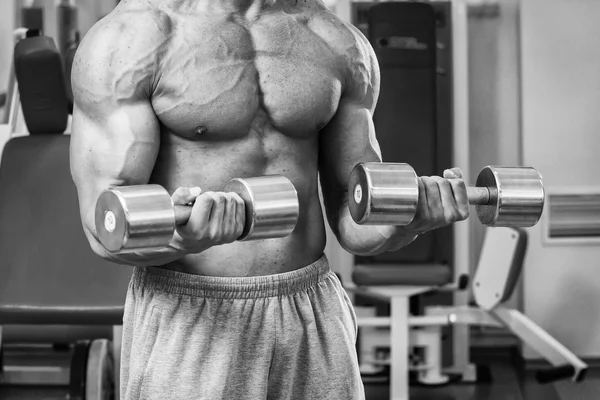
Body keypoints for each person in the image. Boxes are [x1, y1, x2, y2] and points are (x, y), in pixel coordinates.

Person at [70, 0, 470, 398]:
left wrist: (404, 224)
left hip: (311, 309)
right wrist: (184, 239)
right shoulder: (130, 40)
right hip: (194, 313)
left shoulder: (336, 41)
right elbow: (103, 223)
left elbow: (355, 211)